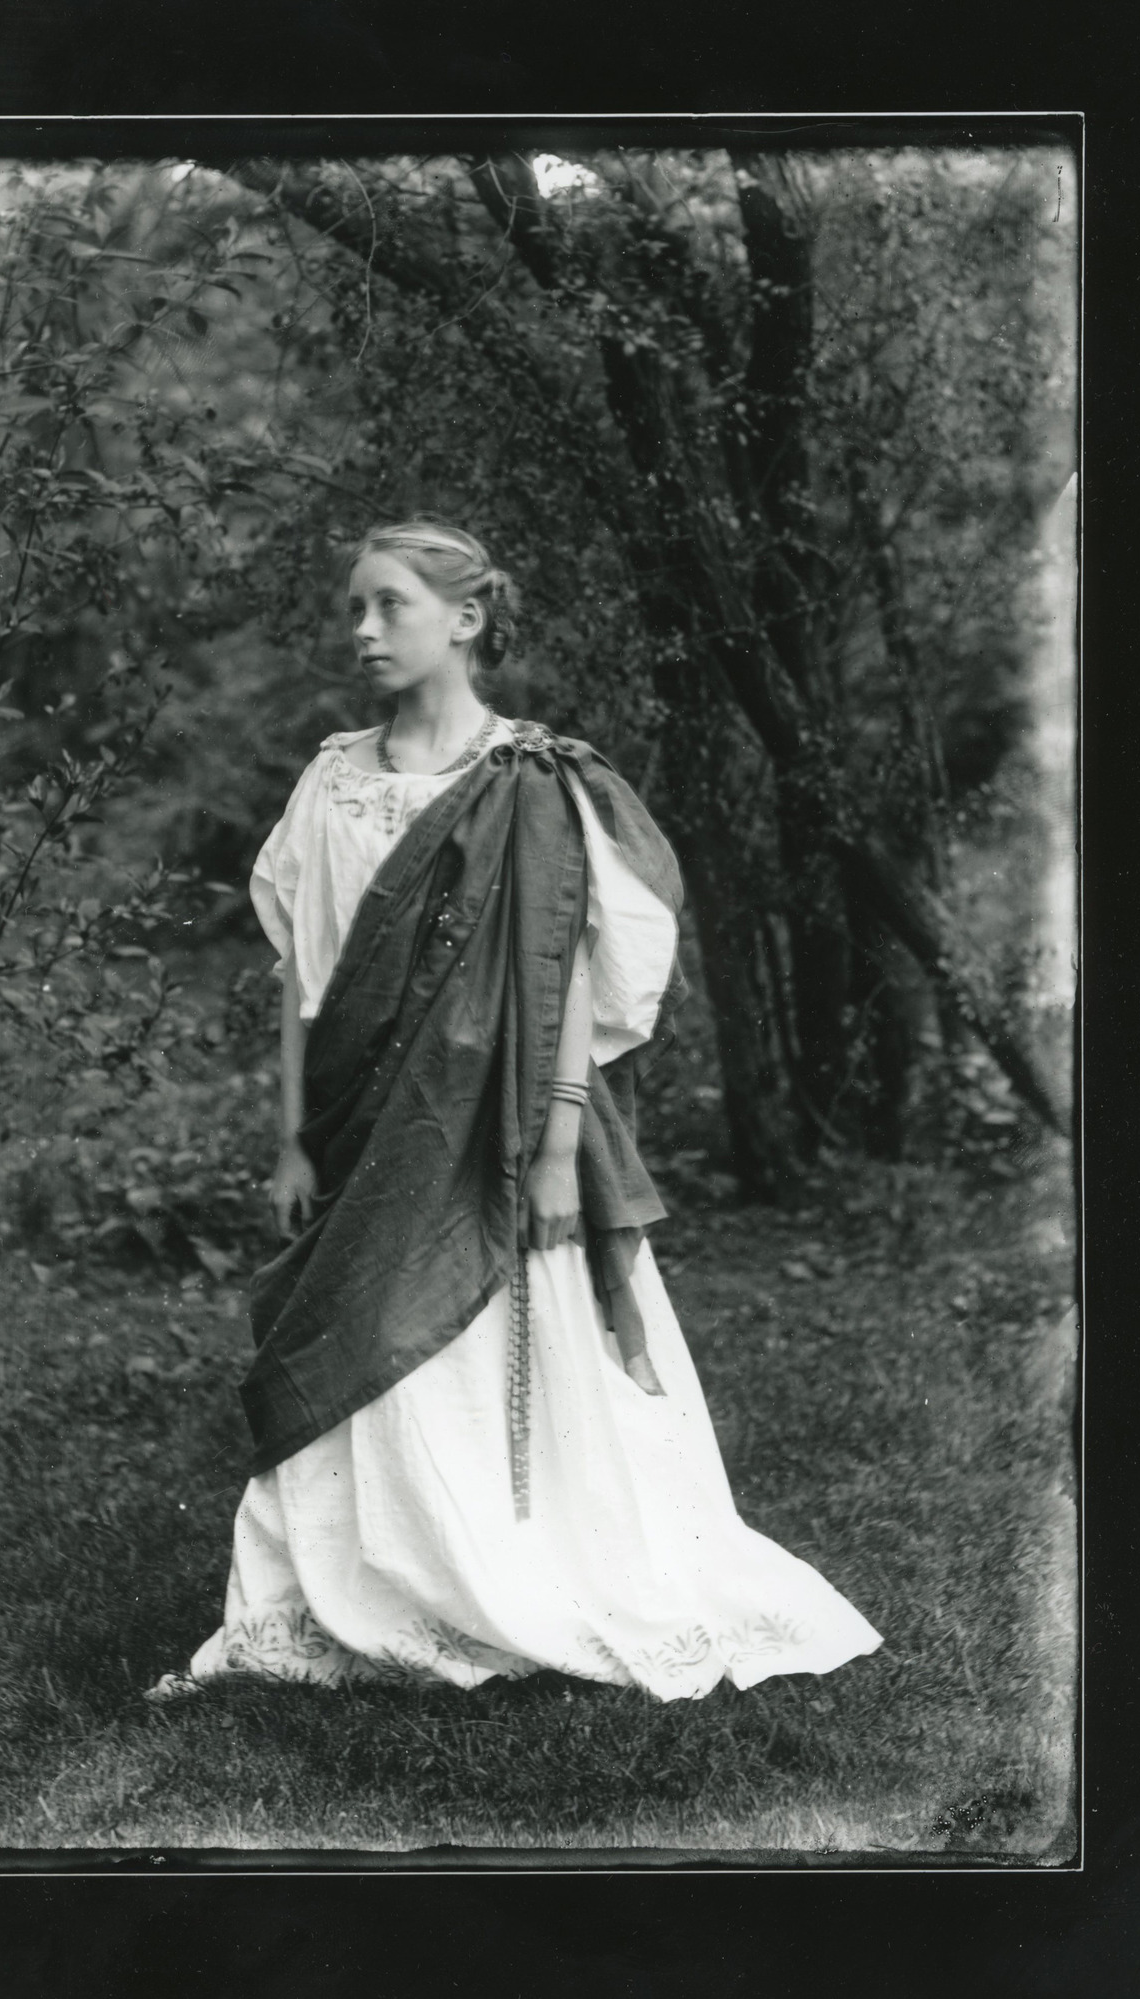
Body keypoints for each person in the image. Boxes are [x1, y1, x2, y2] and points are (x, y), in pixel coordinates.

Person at [153, 520, 881, 1704]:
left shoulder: (533, 783)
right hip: (363, 1131)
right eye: (355, 608)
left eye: (388, 605)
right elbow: (303, 980)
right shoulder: (332, 781)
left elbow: (574, 974)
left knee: (506, 1352)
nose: (363, 631)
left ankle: (516, 1576)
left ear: (466, 620)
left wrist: (552, 1146)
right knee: (353, 1343)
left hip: (498, 1134)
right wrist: (292, 1132)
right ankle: (359, 1592)